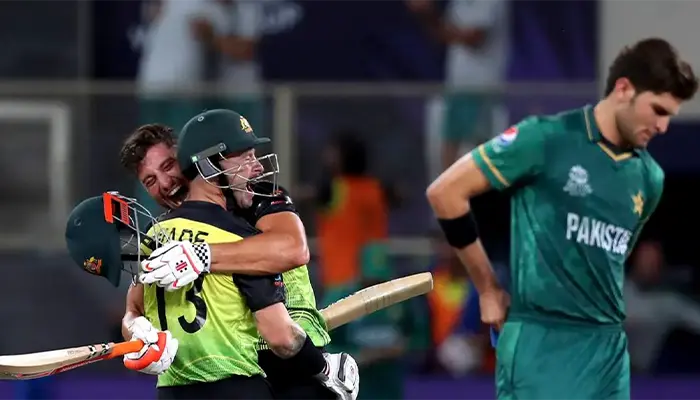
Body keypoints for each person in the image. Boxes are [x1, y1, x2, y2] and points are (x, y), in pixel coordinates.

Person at [426, 37, 698, 400]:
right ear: (624, 89)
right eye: (658, 110)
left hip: (608, 354)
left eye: (670, 116)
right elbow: (445, 193)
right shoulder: (545, 137)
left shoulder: (650, 179)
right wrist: (488, 289)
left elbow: (610, 263)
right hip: (542, 345)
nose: (663, 126)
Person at [118, 112, 358, 399]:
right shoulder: (161, 234)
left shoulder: (259, 196)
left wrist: (203, 255)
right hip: (240, 368)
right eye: (150, 181)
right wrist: (139, 332)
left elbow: (295, 249)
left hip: (295, 362)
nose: (166, 183)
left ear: (191, 159)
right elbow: (133, 311)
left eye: (169, 166)